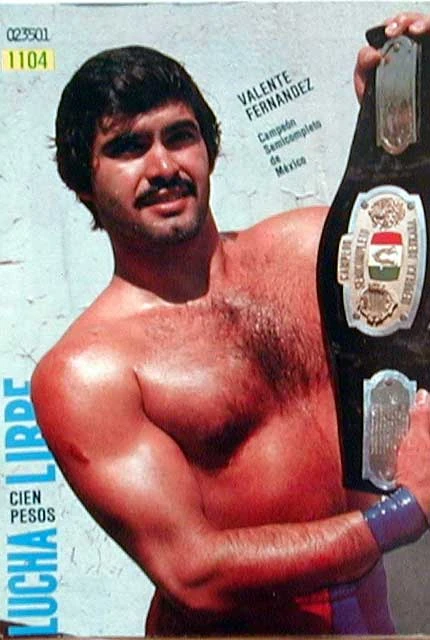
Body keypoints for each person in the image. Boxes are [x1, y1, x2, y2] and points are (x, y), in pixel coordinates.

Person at [32, 12, 430, 635]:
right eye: (128, 148)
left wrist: (401, 128)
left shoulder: (311, 250)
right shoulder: (88, 372)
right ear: (83, 182)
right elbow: (194, 573)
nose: (162, 166)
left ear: (209, 150)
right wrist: (404, 513)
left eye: (179, 137)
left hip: (368, 618)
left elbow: (413, 234)